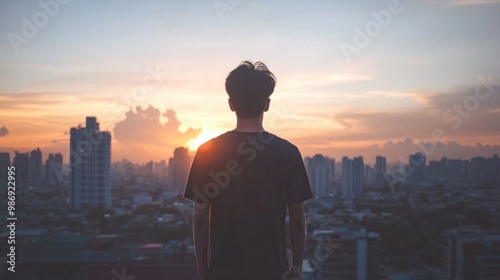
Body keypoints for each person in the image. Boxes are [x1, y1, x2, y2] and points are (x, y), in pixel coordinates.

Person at [184, 61, 313, 280]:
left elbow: (200, 220)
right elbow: (298, 221)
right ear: (267, 104)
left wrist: (203, 272)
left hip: (223, 272)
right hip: (273, 271)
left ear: (231, 104)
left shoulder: (207, 151)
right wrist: (296, 270)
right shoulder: (288, 152)